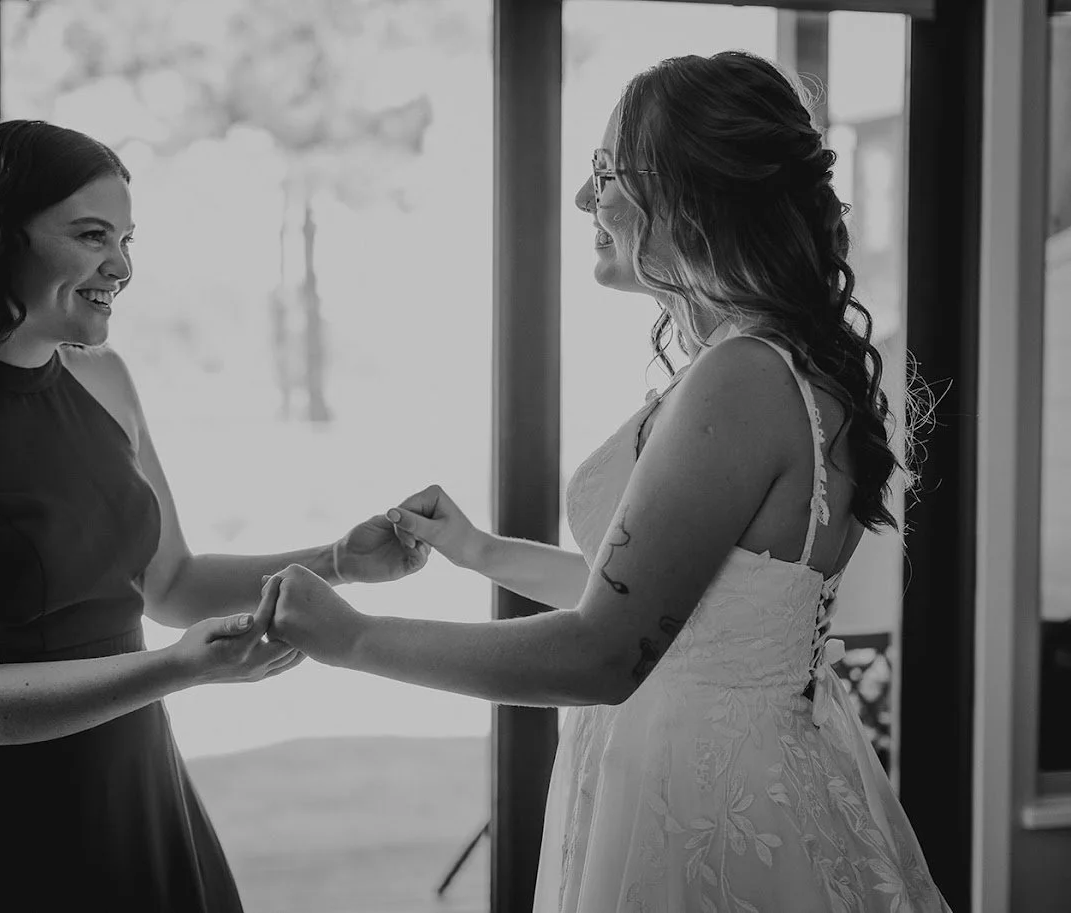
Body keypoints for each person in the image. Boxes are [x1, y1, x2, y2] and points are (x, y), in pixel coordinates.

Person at [264, 51, 951, 912]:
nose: (586, 201)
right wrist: (476, 550)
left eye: (603, 173)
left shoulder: (739, 378)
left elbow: (603, 649)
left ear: (690, 191)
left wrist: (353, 638)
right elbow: (687, 605)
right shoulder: (781, 362)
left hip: (697, 798)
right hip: (756, 766)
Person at [0, 119, 426, 912]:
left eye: (124, 238)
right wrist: (178, 668)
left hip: (130, 777)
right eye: (91, 236)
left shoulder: (105, 379)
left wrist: (338, 559)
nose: (119, 266)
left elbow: (172, 582)